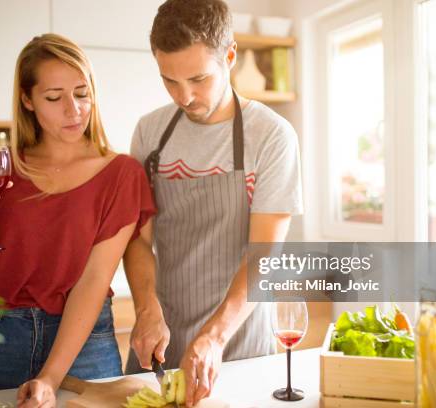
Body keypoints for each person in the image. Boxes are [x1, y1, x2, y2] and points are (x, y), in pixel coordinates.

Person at [0, 33, 155, 408]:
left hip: (84, 343)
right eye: (54, 97)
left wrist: (50, 377)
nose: (74, 109)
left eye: (81, 93)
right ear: (27, 100)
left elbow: (93, 281)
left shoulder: (121, 174)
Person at [123, 0, 304, 406]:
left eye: (198, 79)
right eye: (169, 80)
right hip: (161, 340)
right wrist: (146, 308)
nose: (184, 96)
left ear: (230, 56)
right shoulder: (150, 133)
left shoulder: (272, 137)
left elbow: (265, 255)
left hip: (238, 344)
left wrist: (215, 335)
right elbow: (138, 239)